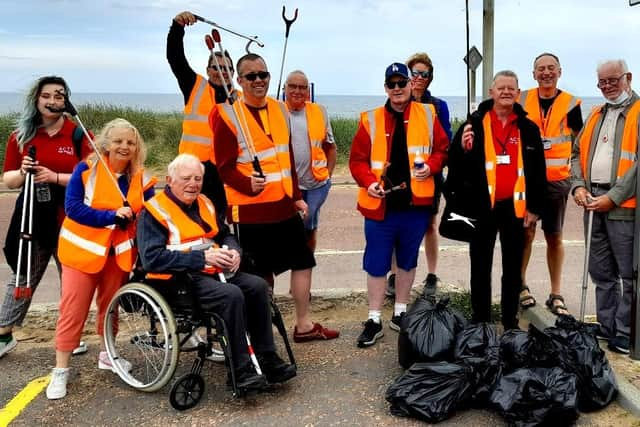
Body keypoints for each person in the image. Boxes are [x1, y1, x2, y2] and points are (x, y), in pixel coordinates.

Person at [137, 153, 296, 389]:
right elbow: (152, 259)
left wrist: (234, 251)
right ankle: (240, 371)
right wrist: (201, 258)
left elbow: (224, 234)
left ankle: (267, 357)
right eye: (186, 178)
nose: (193, 184)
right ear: (169, 180)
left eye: (198, 178)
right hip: (177, 280)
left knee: (257, 286)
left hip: (213, 271)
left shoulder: (205, 202)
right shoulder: (153, 212)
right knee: (231, 295)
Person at [211, 53, 339, 343]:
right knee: (260, 275)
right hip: (250, 211)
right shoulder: (228, 114)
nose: (259, 80)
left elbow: (288, 158)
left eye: (263, 75)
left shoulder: (280, 110)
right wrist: (247, 184)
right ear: (240, 81)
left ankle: (303, 325)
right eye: (251, 76)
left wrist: (296, 197)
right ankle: (261, 331)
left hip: (283, 206)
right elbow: (224, 167)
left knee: (304, 260)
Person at [46, 118, 157, 399]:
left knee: (111, 307)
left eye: (130, 142)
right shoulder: (87, 169)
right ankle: (61, 369)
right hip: (81, 254)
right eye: (118, 141)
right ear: (106, 143)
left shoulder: (140, 178)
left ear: (137, 147)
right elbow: (72, 208)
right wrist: (110, 216)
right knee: (73, 310)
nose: (124, 147)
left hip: (116, 257)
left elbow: (149, 214)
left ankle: (108, 353)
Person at [349, 62, 448, 347]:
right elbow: (356, 160)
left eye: (401, 83)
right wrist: (369, 182)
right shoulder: (370, 119)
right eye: (391, 84)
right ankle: (374, 318)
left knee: (407, 259)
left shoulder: (428, 114)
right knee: (377, 262)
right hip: (380, 206)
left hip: (415, 204)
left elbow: (443, 150)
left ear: (410, 85)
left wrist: (430, 167)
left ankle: (401, 312)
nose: (397, 89)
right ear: (385, 88)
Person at [0, 76, 92, 359]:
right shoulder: (21, 135)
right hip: (33, 219)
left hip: (71, 220)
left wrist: (55, 177)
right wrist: (24, 171)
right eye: (47, 96)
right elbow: (9, 180)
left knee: (72, 281)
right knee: (23, 275)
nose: (53, 101)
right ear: (36, 99)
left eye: (60, 96)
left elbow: (91, 177)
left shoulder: (77, 135)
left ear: (67, 102)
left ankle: (70, 335)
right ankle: (4, 334)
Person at [447, 70, 547, 330]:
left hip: (515, 209)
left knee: (512, 270)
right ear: (491, 92)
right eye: (500, 87)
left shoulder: (528, 127)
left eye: (511, 88)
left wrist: (535, 208)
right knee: (480, 266)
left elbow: (538, 171)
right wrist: (463, 148)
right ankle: (481, 320)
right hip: (481, 208)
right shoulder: (474, 123)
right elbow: (454, 164)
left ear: (517, 93)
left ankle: (510, 322)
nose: (505, 92)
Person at [570, 59, 638, 354]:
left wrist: (615, 196)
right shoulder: (596, 113)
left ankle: (626, 332)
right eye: (602, 82)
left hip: (625, 204)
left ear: (628, 77)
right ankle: (607, 325)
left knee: (629, 273)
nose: (608, 86)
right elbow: (576, 153)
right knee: (601, 271)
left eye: (613, 80)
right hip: (592, 200)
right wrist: (579, 186)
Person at [518, 53, 583, 316]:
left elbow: (580, 144)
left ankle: (556, 294)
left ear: (559, 72)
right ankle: (521, 286)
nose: (546, 73)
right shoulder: (522, 99)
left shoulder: (570, 104)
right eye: (541, 69)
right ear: (533, 74)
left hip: (557, 181)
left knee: (554, 237)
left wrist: (579, 178)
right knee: (526, 233)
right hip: (526, 180)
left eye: (551, 68)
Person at [387, 52, 453, 298]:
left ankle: (432, 275)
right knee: (396, 225)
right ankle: (394, 275)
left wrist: (433, 166)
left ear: (430, 78)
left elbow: (445, 144)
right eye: (414, 72)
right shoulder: (396, 102)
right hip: (398, 179)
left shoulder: (437, 106)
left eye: (424, 74)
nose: (418, 78)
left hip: (428, 177)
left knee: (429, 226)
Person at [167, 10, 236, 215]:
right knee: (189, 218)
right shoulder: (194, 86)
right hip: (191, 169)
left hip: (222, 172)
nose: (221, 72)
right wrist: (177, 27)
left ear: (233, 74)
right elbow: (175, 58)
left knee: (219, 219)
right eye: (216, 67)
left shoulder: (240, 99)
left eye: (226, 69)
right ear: (207, 70)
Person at [284, 70, 337, 252]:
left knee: (309, 225)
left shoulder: (319, 111)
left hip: (316, 184)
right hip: (289, 185)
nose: (297, 91)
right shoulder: (276, 112)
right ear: (285, 88)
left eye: (302, 87)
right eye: (293, 86)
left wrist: (328, 177)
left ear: (308, 91)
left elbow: (331, 147)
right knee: (289, 227)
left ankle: (307, 263)